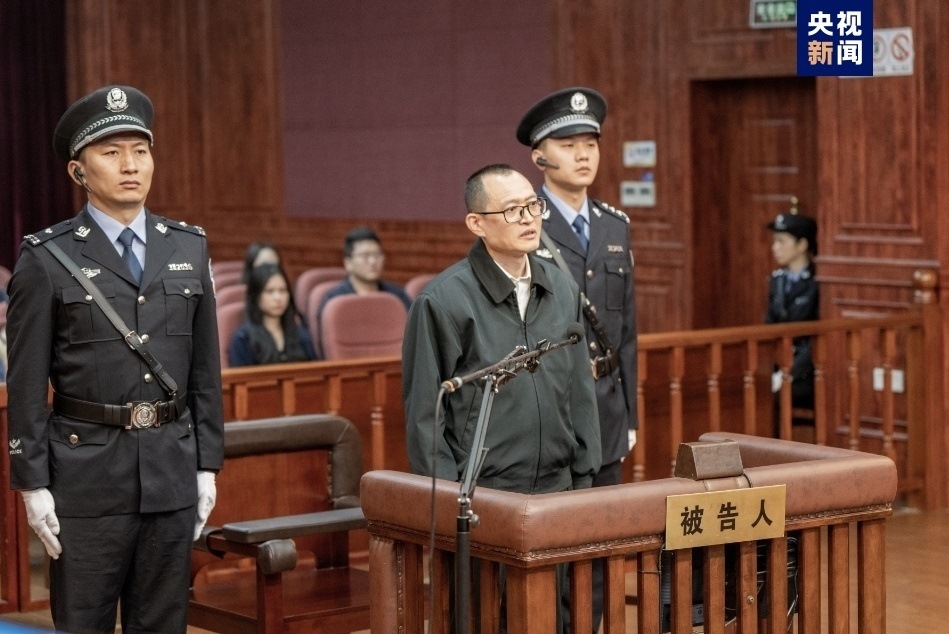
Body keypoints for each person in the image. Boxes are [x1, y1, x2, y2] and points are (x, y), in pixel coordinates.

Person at [5, 85, 224, 634]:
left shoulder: (188, 247)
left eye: (140, 151)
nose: (131, 166)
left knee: (163, 625)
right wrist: (32, 486)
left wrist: (207, 466)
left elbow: (205, 371)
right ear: (78, 171)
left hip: (171, 472)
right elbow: (26, 385)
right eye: (111, 152)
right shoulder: (47, 258)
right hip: (86, 478)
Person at [517, 86, 637, 631]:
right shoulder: (525, 226)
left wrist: (630, 415)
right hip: (554, 413)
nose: (584, 154)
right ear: (539, 157)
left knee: (602, 544)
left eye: (590, 143)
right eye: (568, 145)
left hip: (607, 410)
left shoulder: (614, 225)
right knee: (555, 548)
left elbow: (626, 331)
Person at [766, 208, 819, 431]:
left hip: (806, 370)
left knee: (777, 397)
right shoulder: (777, 280)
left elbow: (815, 337)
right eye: (774, 241)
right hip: (779, 365)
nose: (775, 247)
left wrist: (790, 373)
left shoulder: (816, 282)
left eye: (781, 241)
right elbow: (769, 326)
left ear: (802, 245)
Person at [229, 263, 316, 366]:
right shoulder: (243, 338)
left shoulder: (300, 333)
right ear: (256, 296)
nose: (278, 298)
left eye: (283, 290)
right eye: (269, 291)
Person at [318, 227, 411, 318]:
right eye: (365, 256)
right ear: (348, 263)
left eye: (377, 254)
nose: (373, 261)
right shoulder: (334, 301)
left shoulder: (397, 296)